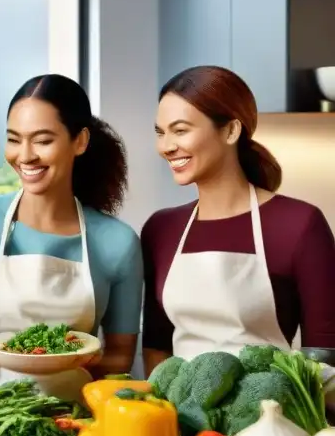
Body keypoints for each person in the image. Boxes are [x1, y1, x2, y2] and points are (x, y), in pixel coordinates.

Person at [0, 74, 142, 402]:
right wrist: (36, 362)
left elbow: (120, 358)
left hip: (82, 418)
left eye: (43, 140)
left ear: (79, 142)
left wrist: (51, 364)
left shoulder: (118, 242)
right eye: (14, 139)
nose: (25, 155)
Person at [142, 65, 335, 378]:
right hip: (179, 420)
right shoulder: (162, 229)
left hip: (271, 417)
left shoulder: (298, 225)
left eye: (180, 130)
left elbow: (325, 352)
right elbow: (156, 345)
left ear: (231, 131)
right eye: (160, 132)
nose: (166, 146)